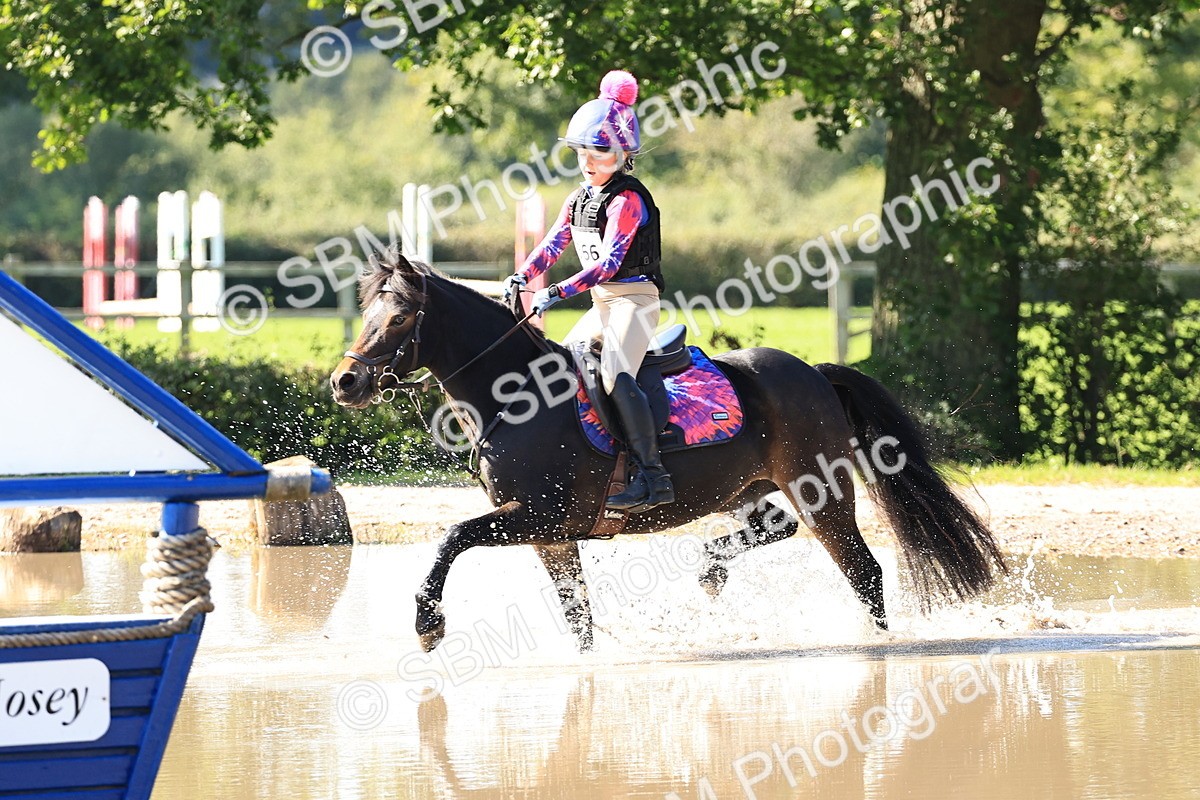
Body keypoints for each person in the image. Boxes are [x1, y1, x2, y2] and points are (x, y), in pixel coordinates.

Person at [502, 69, 673, 513]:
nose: (588, 159)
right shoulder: (578, 198)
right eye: (583, 150)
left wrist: (555, 292)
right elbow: (555, 242)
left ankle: (653, 477)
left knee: (616, 375)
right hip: (603, 304)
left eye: (600, 150)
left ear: (622, 153)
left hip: (635, 301)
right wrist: (523, 274)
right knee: (565, 368)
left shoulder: (627, 201)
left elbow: (608, 264)